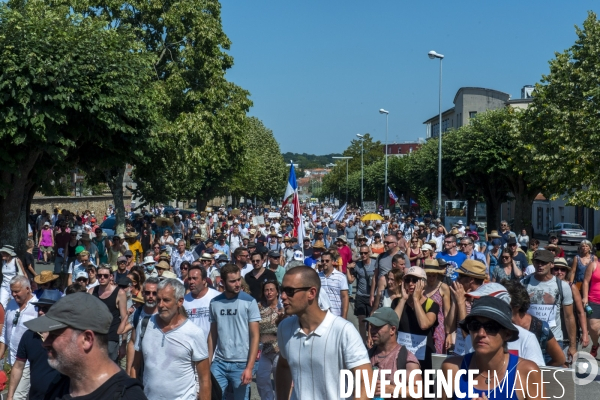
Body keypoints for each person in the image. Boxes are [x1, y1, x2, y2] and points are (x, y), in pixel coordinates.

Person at [24, 292, 146, 399]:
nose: (45, 343)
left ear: (87, 339)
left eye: (54, 335)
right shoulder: (58, 385)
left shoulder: (126, 396)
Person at [276, 266, 372, 400]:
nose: (282, 296)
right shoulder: (284, 328)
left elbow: (365, 382)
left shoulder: (344, 330)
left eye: (289, 291)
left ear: (312, 293)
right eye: (282, 290)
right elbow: (283, 365)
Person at [440, 296, 543, 400]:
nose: (481, 333)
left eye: (491, 327)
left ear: (507, 334)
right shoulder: (452, 368)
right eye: (474, 325)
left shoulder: (527, 372)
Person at [131, 278, 210, 399]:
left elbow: (204, 379)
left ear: (180, 302)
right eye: (159, 300)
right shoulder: (145, 324)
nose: (161, 305)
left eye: (166, 300)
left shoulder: (194, 333)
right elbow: (135, 366)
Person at [209, 264, 260, 400]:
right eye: (232, 281)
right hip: (219, 362)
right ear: (223, 282)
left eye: (239, 279)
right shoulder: (214, 303)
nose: (237, 284)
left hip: (241, 363)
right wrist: (208, 362)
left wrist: (249, 367)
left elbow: (255, 336)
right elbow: (212, 335)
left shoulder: (250, 302)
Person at [7, 290, 62, 400]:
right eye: (39, 308)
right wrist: (10, 395)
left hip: (60, 395)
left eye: (45, 309)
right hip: (35, 396)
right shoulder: (29, 335)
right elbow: (18, 366)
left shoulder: (65, 337)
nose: (40, 312)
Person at [523, 250, 577, 360]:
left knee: (552, 375)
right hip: (529, 340)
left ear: (551, 264)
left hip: (554, 340)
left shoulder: (562, 286)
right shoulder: (524, 284)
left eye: (544, 262)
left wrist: (572, 346)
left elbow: (569, 317)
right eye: (537, 262)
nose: (540, 265)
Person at [503, 279, 566, 366]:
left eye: (503, 301)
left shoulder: (540, 328)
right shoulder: (495, 325)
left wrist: (540, 372)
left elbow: (560, 359)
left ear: (517, 306)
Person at [366, 307, 422, 398]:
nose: (372, 330)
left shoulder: (406, 358)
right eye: (371, 326)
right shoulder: (367, 355)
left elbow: (418, 393)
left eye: (377, 327)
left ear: (392, 329)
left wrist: (392, 389)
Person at [392, 266, 438, 370]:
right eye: (408, 280)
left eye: (415, 280)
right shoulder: (397, 302)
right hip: (402, 354)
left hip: (423, 357)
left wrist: (416, 300)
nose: (411, 284)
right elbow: (393, 323)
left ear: (423, 283)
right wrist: (404, 299)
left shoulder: (432, 305)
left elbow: (424, 324)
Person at [0, 276, 38, 400]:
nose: (14, 294)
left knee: (17, 397)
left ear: (28, 289)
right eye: (12, 291)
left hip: (26, 362)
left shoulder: (37, 307)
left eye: (17, 291)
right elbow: (5, 333)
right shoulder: (11, 304)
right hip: (12, 359)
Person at [88, 265, 128, 362]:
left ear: (111, 277)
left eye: (105, 276)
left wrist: (123, 344)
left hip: (111, 338)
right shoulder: (92, 291)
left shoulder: (119, 293)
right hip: (95, 337)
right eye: (100, 275)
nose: (102, 278)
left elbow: (124, 319)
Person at [552, 257, 589, 352]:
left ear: (566, 271)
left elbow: (581, 312)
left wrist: (584, 333)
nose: (559, 272)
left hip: (568, 332)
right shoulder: (546, 286)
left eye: (562, 269)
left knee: (566, 363)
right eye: (556, 269)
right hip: (551, 332)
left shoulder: (571, 287)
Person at [256, 280, 283, 400]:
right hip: (265, 351)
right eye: (266, 290)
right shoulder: (258, 307)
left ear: (277, 292)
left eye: (272, 290)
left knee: (280, 382)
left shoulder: (283, 308)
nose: (269, 292)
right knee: (261, 380)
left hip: (280, 352)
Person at [126, 277, 158, 376]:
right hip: (143, 367)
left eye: (154, 293)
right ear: (143, 293)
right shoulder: (138, 313)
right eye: (147, 293)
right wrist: (129, 373)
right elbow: (133, 342)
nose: (151, 296)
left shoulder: (164, 314)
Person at [183, 265, 220, 346]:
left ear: (204, 280)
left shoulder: (217, 298)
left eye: (195, 278)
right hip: (192, 350)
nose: (191, 282)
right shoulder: (183, 301)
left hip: (214, 350)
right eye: (189, 279)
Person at [346, 245, 375, 341]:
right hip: (360, 295)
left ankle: (370, 338)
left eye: (365, 253)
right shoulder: (357, 265)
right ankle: (363, 341)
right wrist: (347, 269)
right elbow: (350, 280)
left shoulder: (375, 264)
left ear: (369, 253)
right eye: (361, 253)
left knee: (371, 321)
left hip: (372, 296)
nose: (363, 255)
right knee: (361, 320)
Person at [423, 259, 451, 354]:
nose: (431, 278)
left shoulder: (443, 287)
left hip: (439, 326)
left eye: (433, 276)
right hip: (424, 322)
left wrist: (448, 333)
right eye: (429, 276)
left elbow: (447, 311)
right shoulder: (422, 286)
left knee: (437, 354)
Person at [318, 251, 349, 319]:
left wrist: (344, 316)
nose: (324, 263)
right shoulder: (317, 277)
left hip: (337, 315)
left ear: (332, 261)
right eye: (322, 261)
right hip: (322, 315)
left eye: (327, 261)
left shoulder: (341, 277)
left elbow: (345, 297)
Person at [583, 251, 600, 358]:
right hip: (594, 300)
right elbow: (585, 281)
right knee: (593, 328)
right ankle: (595, 344)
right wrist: (585, 297)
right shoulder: (594, 264)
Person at [0, 245, 27, 310]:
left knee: (15, 304)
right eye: (2, 252)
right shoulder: (3, 262)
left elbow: (23, 273)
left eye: (4, 253)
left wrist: (27, 285)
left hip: (14, 287)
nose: (2, 254)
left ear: (9, 254)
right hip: (4, 286)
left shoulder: (16, 260)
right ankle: (3, 318)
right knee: (1, 304)